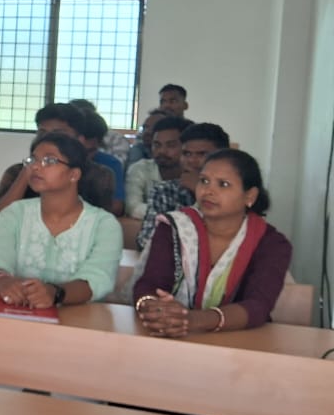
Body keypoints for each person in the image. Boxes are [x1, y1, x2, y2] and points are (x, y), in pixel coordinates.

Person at [133, 150, 291, 335]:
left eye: (223, 184)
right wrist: (154, 308)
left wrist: (193, 320)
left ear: (250, 196)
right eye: (204, 181)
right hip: (168, 334)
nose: (208, 191)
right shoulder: (175, 227)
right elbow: (149, 285)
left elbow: (258, 305)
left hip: (239, 341)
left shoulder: (271, 243)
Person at [0, 132, 123, 308]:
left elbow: (98, 278)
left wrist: (55, 293)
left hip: (80, 316)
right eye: (33, 160)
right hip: (19, 312)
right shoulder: (14, 214)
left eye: (50, 161)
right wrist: (2, 280)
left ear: (74, 174)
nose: (35, 167)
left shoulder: (104, 225)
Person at [0, 103, 115, 229]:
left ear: (79, 140)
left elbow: (100, 226)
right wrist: (28, 170)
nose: (47, 139)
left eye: (58, 134)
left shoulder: (99, 175)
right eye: (42, 133)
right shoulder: (16, 171)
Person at [137, 123, 231, 251]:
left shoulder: (233, 192)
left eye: (202, 154)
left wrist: (200, 192)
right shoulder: (164, 191)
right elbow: (146, 241)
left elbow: (231, 241)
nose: (191, 160)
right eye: (186, 154)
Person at [125, 116, 192, 220]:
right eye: (157, 145)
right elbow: (133, 207)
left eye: (171, 145)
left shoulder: (194, 172)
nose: (162, 151)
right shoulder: (140, 169)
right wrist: (175, 217)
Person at [77, 109, 125, 216]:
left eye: (90, 151)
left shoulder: (110, 165)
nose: (84, 157)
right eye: (79, 150)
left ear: (99, 144)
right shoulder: (58, 164)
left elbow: (116, 207)